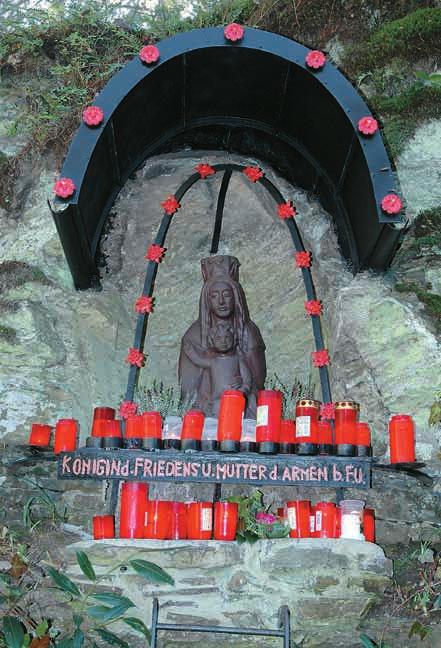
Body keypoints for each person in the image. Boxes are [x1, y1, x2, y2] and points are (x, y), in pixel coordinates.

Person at [179, 255, 266, 417]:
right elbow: (187, 388)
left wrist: (243, 386)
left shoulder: (249, 332)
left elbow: (258, 380)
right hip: (208, 406)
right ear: (206, 300)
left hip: (241, 404)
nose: (221, 302)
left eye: (226, 295)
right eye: (214, 296)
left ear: (236, 297)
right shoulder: (194, 336)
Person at [183, 321, 252, 416]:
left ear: (234, 339)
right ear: (212, 341)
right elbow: (198, 360)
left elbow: (247, 379)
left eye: (227, 338)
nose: (223, 342)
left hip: (235, 400)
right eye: (218, 338)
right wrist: (189, 350)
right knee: (216, 424)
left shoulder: (238, 359)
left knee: (234, 422)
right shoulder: (213, 361)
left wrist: (242, 390)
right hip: (217, 401)